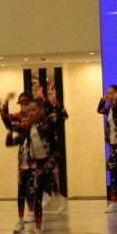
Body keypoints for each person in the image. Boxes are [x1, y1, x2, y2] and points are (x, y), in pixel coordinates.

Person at [7, 98, 58, 234]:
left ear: (41, 111)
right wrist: (3, 107)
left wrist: (52, 101)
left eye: (31, 110)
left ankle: (39, 225)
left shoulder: (45, 126)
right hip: (24, 165)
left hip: (39, 164)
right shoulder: (25, 129)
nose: (28, 114)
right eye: (26, 112)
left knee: (34, 194)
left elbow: (59, 119)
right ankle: (25, 222)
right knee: (23, 193)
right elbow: (9, 140)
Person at [0, 91, 39, 227]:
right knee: (22, 189)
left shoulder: (35, 120)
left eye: (26, 104)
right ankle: (24, 218)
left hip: (35, 157)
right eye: (21, 105)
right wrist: (4, 104)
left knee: (31, 186)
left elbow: (9, 123)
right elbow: (7, 121)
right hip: (23, 158)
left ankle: (38, 217)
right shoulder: (19, 117)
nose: (23, 108)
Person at [97, 84, 117, 213]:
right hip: (113, 144)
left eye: (110, 93)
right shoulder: (109, 108)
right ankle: (114, 202)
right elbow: (99, 110)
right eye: (106, 92)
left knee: (109, 165)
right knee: (112, 171)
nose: (107, 95)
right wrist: (103, 100)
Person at [43, 81, 69, 212]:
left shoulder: (48, 122)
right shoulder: (30, 124)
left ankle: (58, 197)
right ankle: (44, 195)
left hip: (52, 152)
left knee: (47, 169)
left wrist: (56, 101)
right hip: (38, 154)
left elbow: (63, 115)